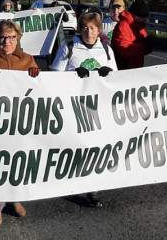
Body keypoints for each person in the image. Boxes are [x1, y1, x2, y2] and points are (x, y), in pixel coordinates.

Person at [0, 19, 41, 227]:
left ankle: (14, 197)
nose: (7, 41)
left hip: (20, 120)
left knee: (17, 160)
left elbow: (41, 90)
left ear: (18, 38)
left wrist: (36, 74)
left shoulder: (28, 59)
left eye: (12, 37)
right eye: (3, 37)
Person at [50, 12, 117, 208]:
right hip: (74, 106)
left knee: (95, 146)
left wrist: (107, 74)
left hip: (98, 107)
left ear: (99, 30)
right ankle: (68, 178)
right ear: (81, 29)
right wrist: (73, 75)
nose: (89, 32)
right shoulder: (69, 48)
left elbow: (116, 77)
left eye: (93, 28)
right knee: (76, 146)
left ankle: (92, 188)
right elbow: (55, 75)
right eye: (86, 28)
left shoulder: (106, 50)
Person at [110, 0, 151, 70]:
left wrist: (148, 45)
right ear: (136, 15)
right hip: (123, 68)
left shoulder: (140, 28)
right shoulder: (123, 26)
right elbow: (125, 50)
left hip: (136, 68)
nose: (144, 19)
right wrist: (143, 47)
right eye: (143, 17)